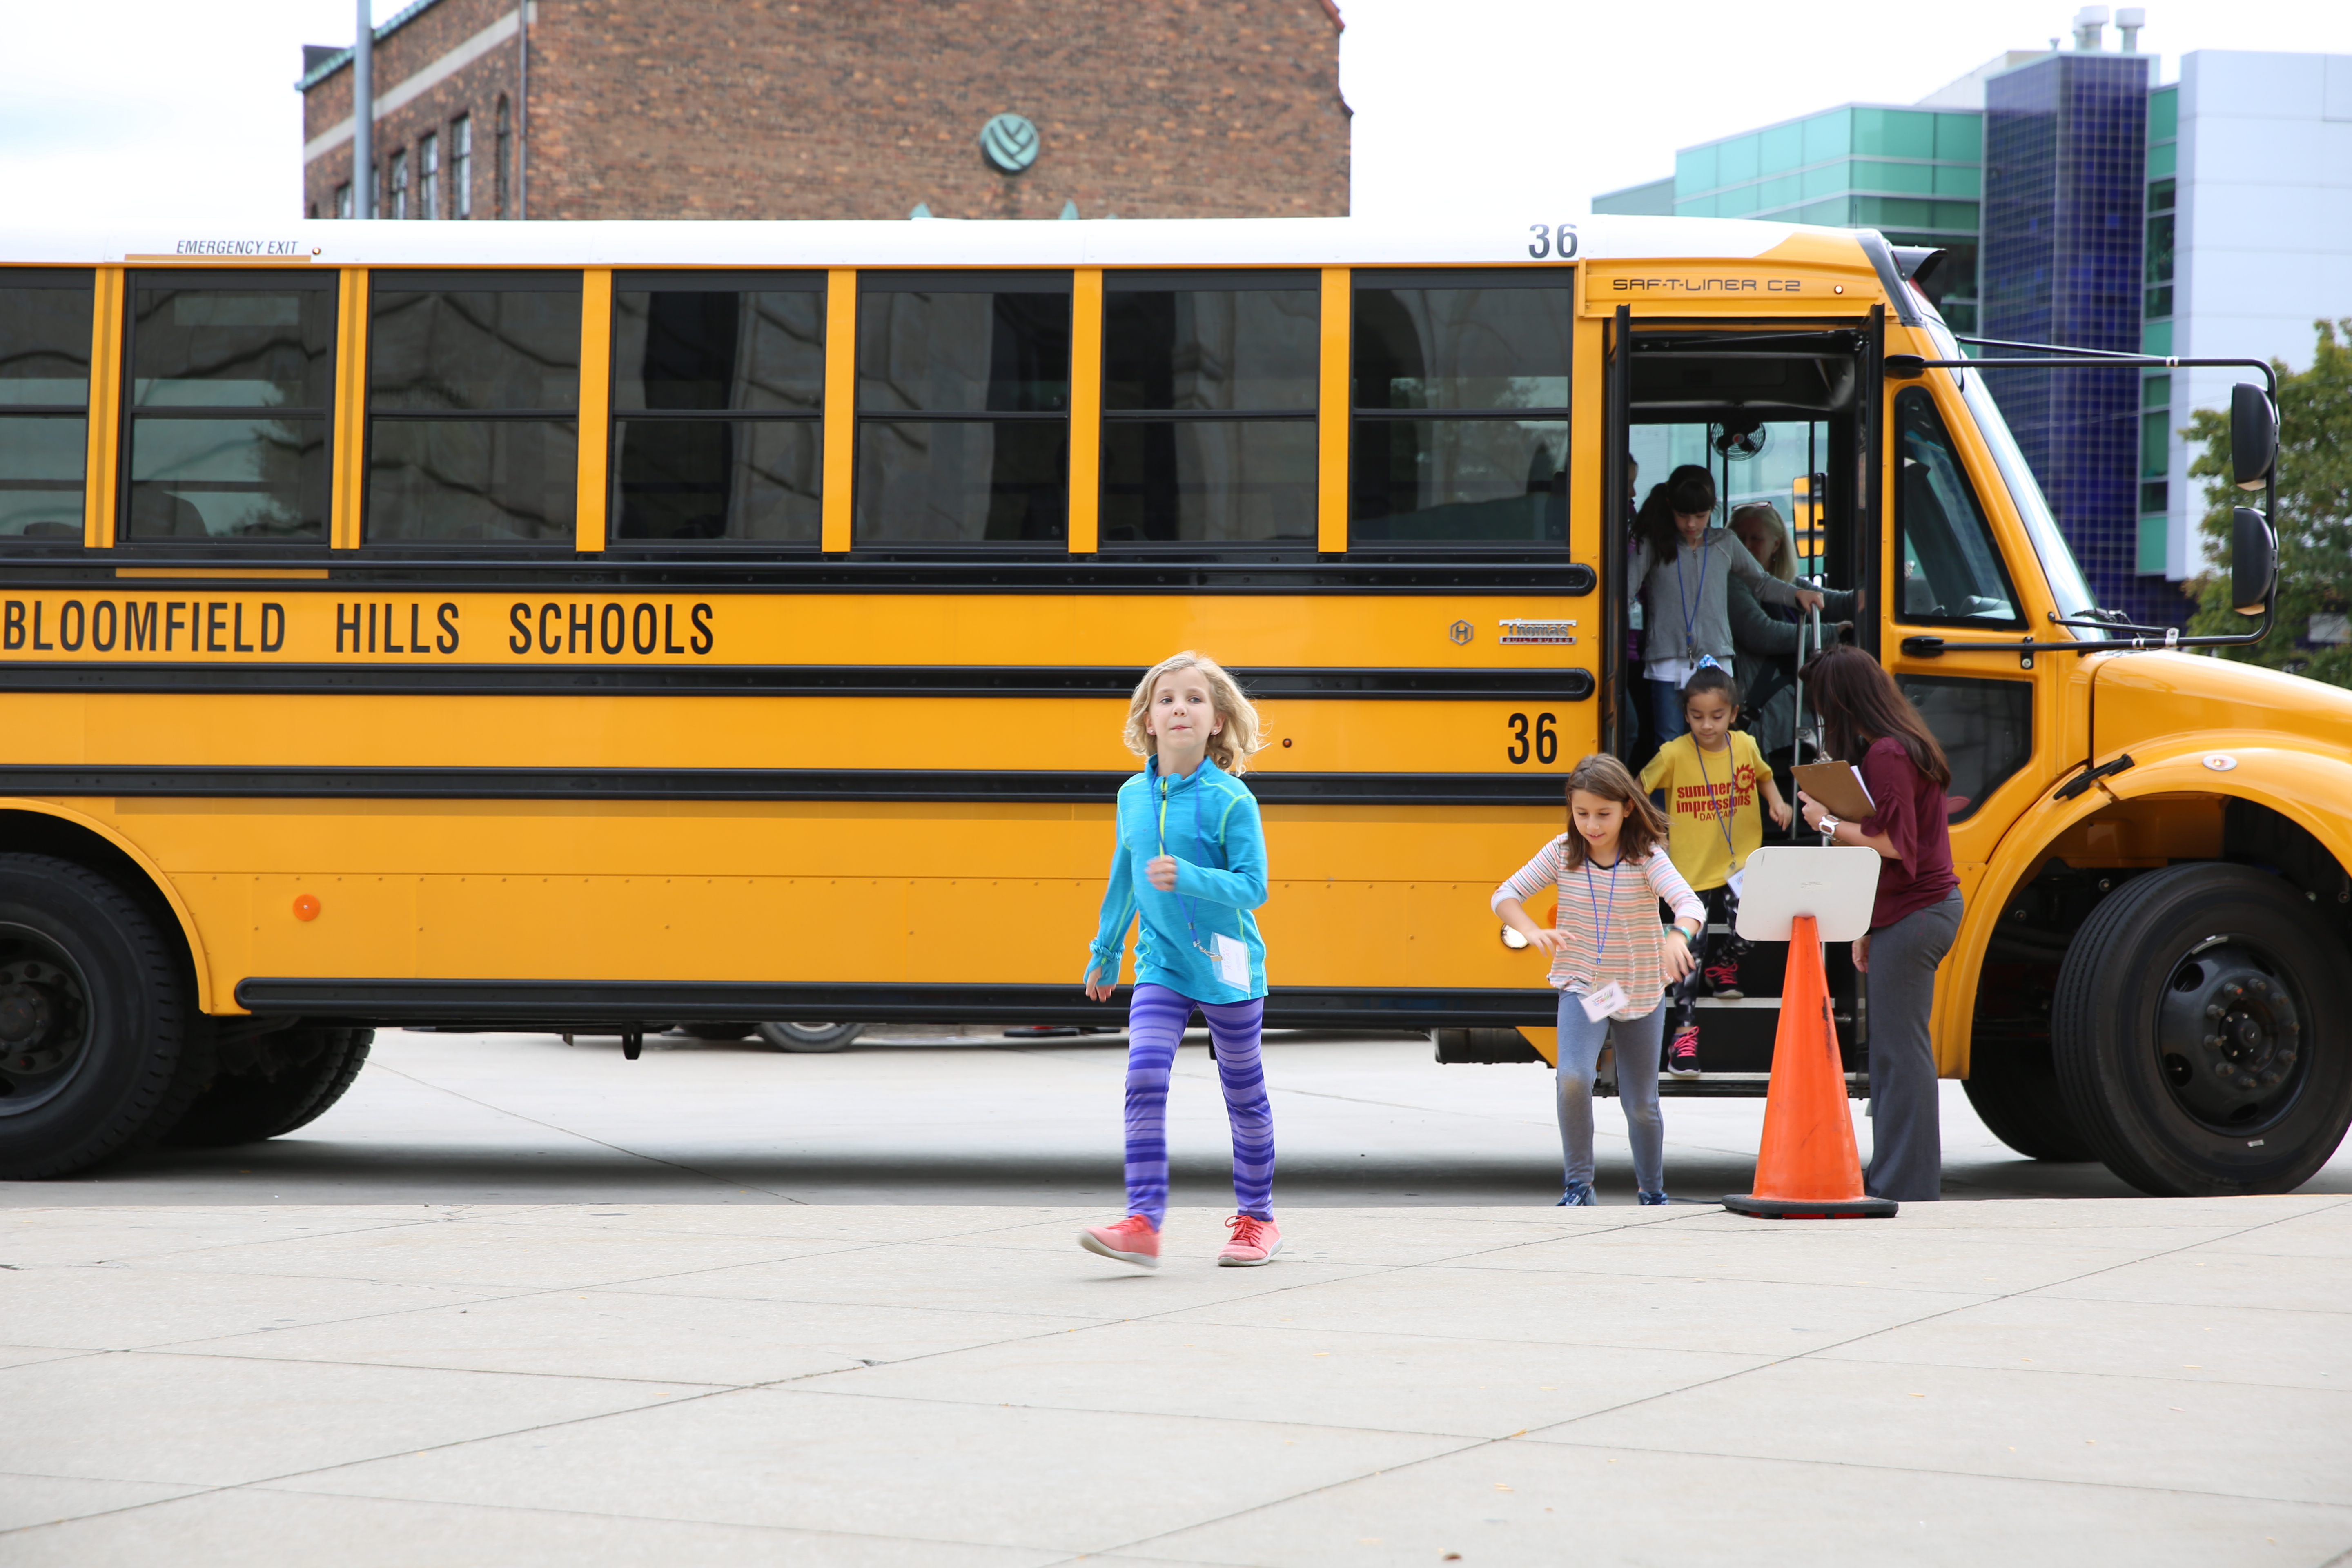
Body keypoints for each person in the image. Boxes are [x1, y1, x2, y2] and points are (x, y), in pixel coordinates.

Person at [1079, 651, 1281, 1269]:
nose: (1180, 709)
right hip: (1161, 964)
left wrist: (1191, 877)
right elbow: (1123, 875)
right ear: (1148, 720)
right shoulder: (1131, 796)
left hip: (1228, 966)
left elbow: (1254, 888)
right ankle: (1143, 1223)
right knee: (1143, 1077)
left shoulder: (1231, 799)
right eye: (1167, 699)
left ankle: (1258, 1221)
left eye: (1195, 699)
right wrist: (1106, 950)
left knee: (1242, 1093)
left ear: (1218, 720)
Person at [1493, 754, 1706, 1206]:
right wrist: (1530, 931)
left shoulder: (1646, 857)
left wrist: (1677, 934)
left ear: (1628, 807)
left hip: (1640, 987)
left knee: (1641, 1103)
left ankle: (1652, 1191)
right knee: (1572, 1076)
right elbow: (1505, 895)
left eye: (1603, 814)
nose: (1592, 824)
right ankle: (1578, 1185)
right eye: (1582, 812)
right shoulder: (1562, 853)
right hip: (1586, 986)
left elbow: (1690, 904)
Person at [1794, 646, 1962, 1203]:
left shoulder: (1888, 754)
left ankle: (1904, 1182)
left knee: (1899, 1052)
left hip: (1917, 914)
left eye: (1823, 702)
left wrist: (1826, 821)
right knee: (1897, 1050)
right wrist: (1869, 925)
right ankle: (1901, 1175)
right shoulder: (1903, 744)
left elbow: (1894, 845)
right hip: (1913, 912)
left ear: (1841, 700)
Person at [1640, 664, 1793, 1077]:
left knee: (1752, 925)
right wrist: (1656, 827)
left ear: (1734, 712)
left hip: (1741, 862)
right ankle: (1684, 1037)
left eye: (1717, 716)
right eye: (1696, 716)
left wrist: (1777, 802)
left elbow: (1763, 775)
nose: (1707, 725)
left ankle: (1723, 964)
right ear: (1685, 714)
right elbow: (1639, 788)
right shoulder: (1674, 754)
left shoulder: (1744, 745)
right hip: (1689, 871)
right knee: (1687, 952)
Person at [1629, 468, 1822, 746]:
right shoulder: (1654, 544)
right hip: (1667, 660)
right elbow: (1625, 589)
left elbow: (1762, 583)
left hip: (1716, 660)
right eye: (1683, 516)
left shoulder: (1725, 543)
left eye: (1700, 516)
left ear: (1713, 509)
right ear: (1670, 506)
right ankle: (1668, 793)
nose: (1692, 525)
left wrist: (1797, 594)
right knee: (1669, 746)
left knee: (1713, 744)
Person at [1725, 501, 1858, 754]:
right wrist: (1833, 632)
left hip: (1797, 711)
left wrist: (1871, 594)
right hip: (1764, 714)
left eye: (1756, 539)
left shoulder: (1785, 582)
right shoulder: (1732, 582)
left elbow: (1834, 603)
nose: (1747, 546)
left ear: (1776, 545)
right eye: (1740, 539)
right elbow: (1761, 634)